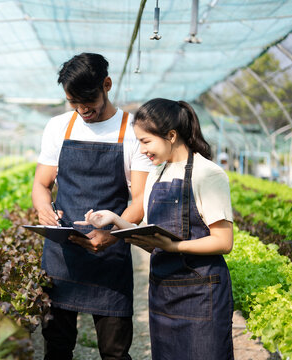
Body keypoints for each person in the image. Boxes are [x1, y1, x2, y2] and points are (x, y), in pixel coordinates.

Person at [76, 98, 235, 360]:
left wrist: (174, 247)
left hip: (201, 293)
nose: (142, 150)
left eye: (146, 141)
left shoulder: (208, 174)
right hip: (163, 293)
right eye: (138, 142)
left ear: (171, 135)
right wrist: (115, 219)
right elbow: (153, 236)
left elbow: (223, 241)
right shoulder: (156, 174)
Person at [32, 53, 153, 359]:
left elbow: (138, 201)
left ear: (107, 85)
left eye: (88, 100)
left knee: (114, 351)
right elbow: (41, 184)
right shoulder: (59, 126)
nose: (82, 109)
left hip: (109, 255)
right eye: (73, 102)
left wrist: (111, 235)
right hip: (62, 255)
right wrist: (43, 208)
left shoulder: (132, 132)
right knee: (56, 347)